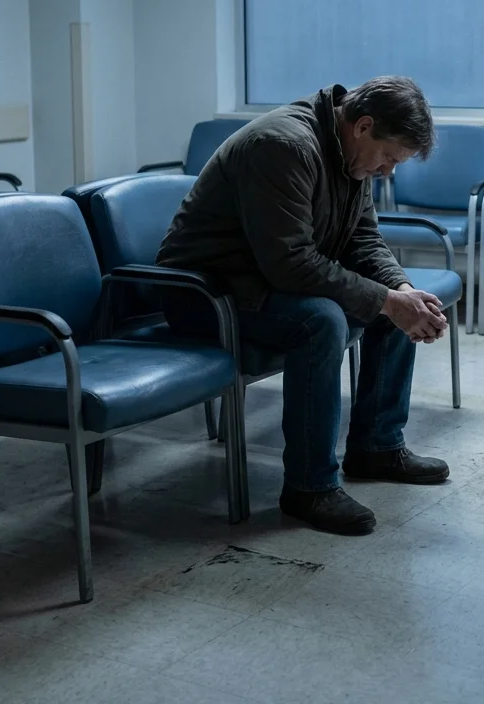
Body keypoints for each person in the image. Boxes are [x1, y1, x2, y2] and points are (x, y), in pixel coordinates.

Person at [157, 77, 449, 535]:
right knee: (321, 322)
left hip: (258, 281)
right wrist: (388, 300)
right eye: (389, 158)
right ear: (364, 125)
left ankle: (376, 446)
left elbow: (362, 240)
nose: (388, 171)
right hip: (204, 294)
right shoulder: (282, 146)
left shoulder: (351, 156)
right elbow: (290, 264)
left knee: (393, 306)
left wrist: (401, 289)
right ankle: (309, 488)